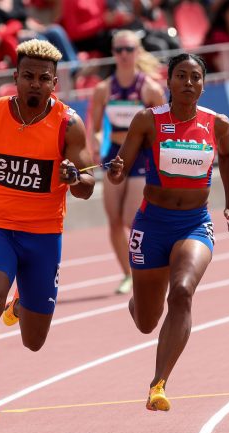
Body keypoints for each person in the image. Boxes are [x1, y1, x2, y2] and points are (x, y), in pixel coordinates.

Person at [0, 40, 96, 429]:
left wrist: (74, 177)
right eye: (27, 76)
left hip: (44, 236)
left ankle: (22, 305)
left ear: (54, 83)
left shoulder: (68, 125)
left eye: (42, 78)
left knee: (34, 340)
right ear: (14, 77)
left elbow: (87, 183)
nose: (34, 84)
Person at [107, 53, 229, 411]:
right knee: (147, 322)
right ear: (169, 82)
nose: (188, 83)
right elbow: (119, 171)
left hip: (195, 222)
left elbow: (226, 156)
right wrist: (117, 170)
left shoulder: (217, 124)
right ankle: (137, 302)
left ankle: (159, 384)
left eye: (195, 77)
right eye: (181, 76)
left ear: (203, 83)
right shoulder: (148, 121)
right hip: (152, 225)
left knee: (182, 291)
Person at [89, 30, 166, 295]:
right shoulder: (103, 89)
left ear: (137, 52)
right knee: (113, 220)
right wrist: (96, 143)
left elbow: (165, 124)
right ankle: (127, 274)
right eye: (118, 50)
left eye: (129, 49)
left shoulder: (150, 89)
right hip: (114, 154)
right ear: (113, 53)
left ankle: (151, 264)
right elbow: (96, 127)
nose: (123, 55)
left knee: (130, 219)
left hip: (141, 155)